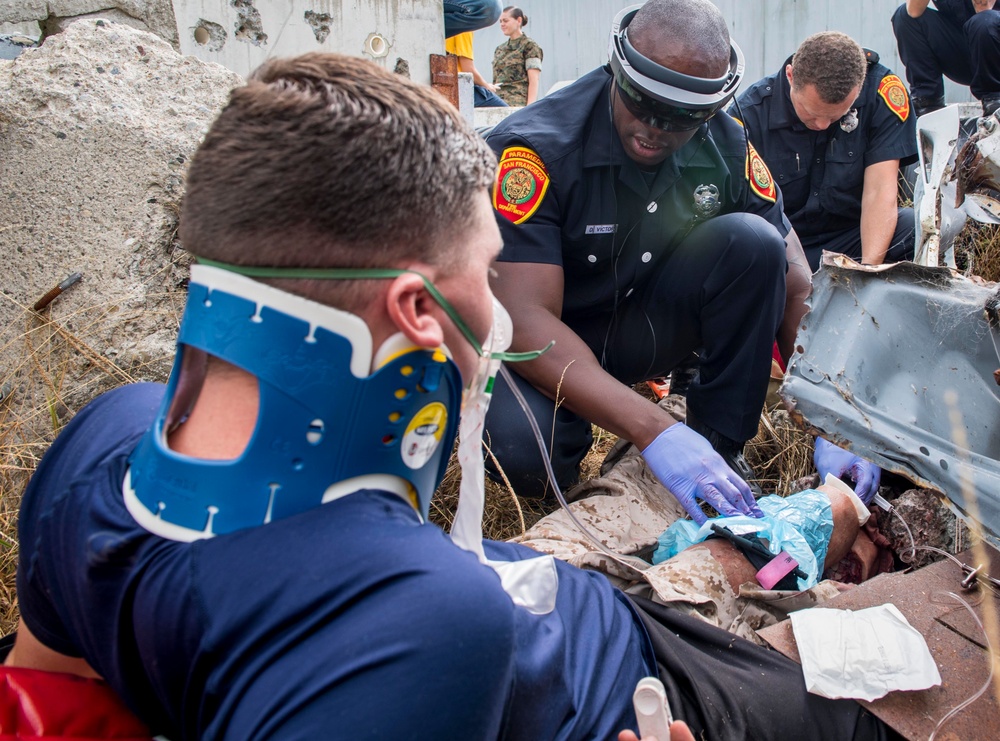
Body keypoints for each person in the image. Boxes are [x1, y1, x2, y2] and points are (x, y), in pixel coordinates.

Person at [4, 51, 890, 741]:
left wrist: (821, 403)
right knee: (876, 697)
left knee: (733, 556)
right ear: (420, 313)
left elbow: (46, 702)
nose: (495, 305)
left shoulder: (100, 440)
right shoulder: (423, 621)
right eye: (484, 268)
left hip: (545, 596)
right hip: (648, 684)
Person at [482, 0, 809, 508]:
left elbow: (794, 282)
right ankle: (572, 467)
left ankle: (717, 451)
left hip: (640, 325)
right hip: (549, 340)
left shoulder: (726, 143)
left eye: (680, 117)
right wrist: (654, 430)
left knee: (755, 244)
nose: (654, 127)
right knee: (524, 453)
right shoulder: (535, 151)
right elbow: (524, 319)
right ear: (618, 68)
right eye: (641, 102)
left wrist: (834, 422)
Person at [732, 32, 918, 272]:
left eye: (835, 116)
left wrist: (867, 273)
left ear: (859, 89)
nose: (821, 125)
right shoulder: (749, 117)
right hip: (782, 246)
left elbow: (880, 190)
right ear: (790, 76)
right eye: (810, 113)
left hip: (851, 238)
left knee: (913, 227)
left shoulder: (880, 93)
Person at [891, 0, 1000, 117]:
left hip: (993, 51)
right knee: (904, 16)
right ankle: (927, 101)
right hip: (968, 53)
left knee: (984, 21)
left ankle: (994, 100)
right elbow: (913, 12)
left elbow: (984, 15)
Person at [492, 6, 544, 106]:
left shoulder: (529, 46)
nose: (502, 24)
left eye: (506, 21)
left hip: (518, 104)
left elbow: (534, 80)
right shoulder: (499, 49)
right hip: (498, 104)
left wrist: (529, 107)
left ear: (518, 20)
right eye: (500, 21)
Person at [446, 30, 508, 107]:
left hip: (445, 86)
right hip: (459, 88)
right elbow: (468, 69)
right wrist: (487, 86)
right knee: (506, 111)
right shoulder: (464, 30)